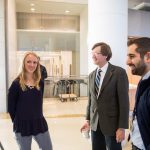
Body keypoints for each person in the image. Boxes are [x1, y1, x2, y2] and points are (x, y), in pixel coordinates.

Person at [81, 42, 129, 150]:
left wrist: (121, 127)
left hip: (112, 125)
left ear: (106, 55)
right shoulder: (92, 75)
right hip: (95, 124)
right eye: (92, 53)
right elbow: (91, 101)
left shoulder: (118, 73)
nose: (93, 56)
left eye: (96, 53)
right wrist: (87, 120)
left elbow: (124, 103)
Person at [8, 52, 53, 150]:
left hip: (39, 122)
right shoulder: (16, 84)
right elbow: (11, 107)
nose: (32, 65)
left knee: (48, 148)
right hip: (22, 125)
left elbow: (39, 102)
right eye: (28, 62)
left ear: (37, 65)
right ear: (23, 63)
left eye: (34, 62)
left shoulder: (40, 82)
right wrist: (17, 122)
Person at [127, 37, 150, 150]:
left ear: (148, 57)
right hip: (137, 143)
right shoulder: (143, 81)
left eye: (132, 56)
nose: (127, 62)